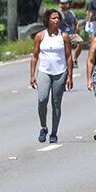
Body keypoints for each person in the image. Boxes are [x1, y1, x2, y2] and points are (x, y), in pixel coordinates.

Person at [30, 8, 73, 143]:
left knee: (56, 103)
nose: (56, 20)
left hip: (60, 72)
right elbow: (35, 57)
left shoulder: (64, 36)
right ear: (47, 20)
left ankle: (54, 132)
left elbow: (68, 57)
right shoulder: (40, 36)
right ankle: (43, 127)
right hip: (44, 71)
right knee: (42, 99)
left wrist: (70, 76)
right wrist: (32, 75)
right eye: (53, 18)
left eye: (58, 18)